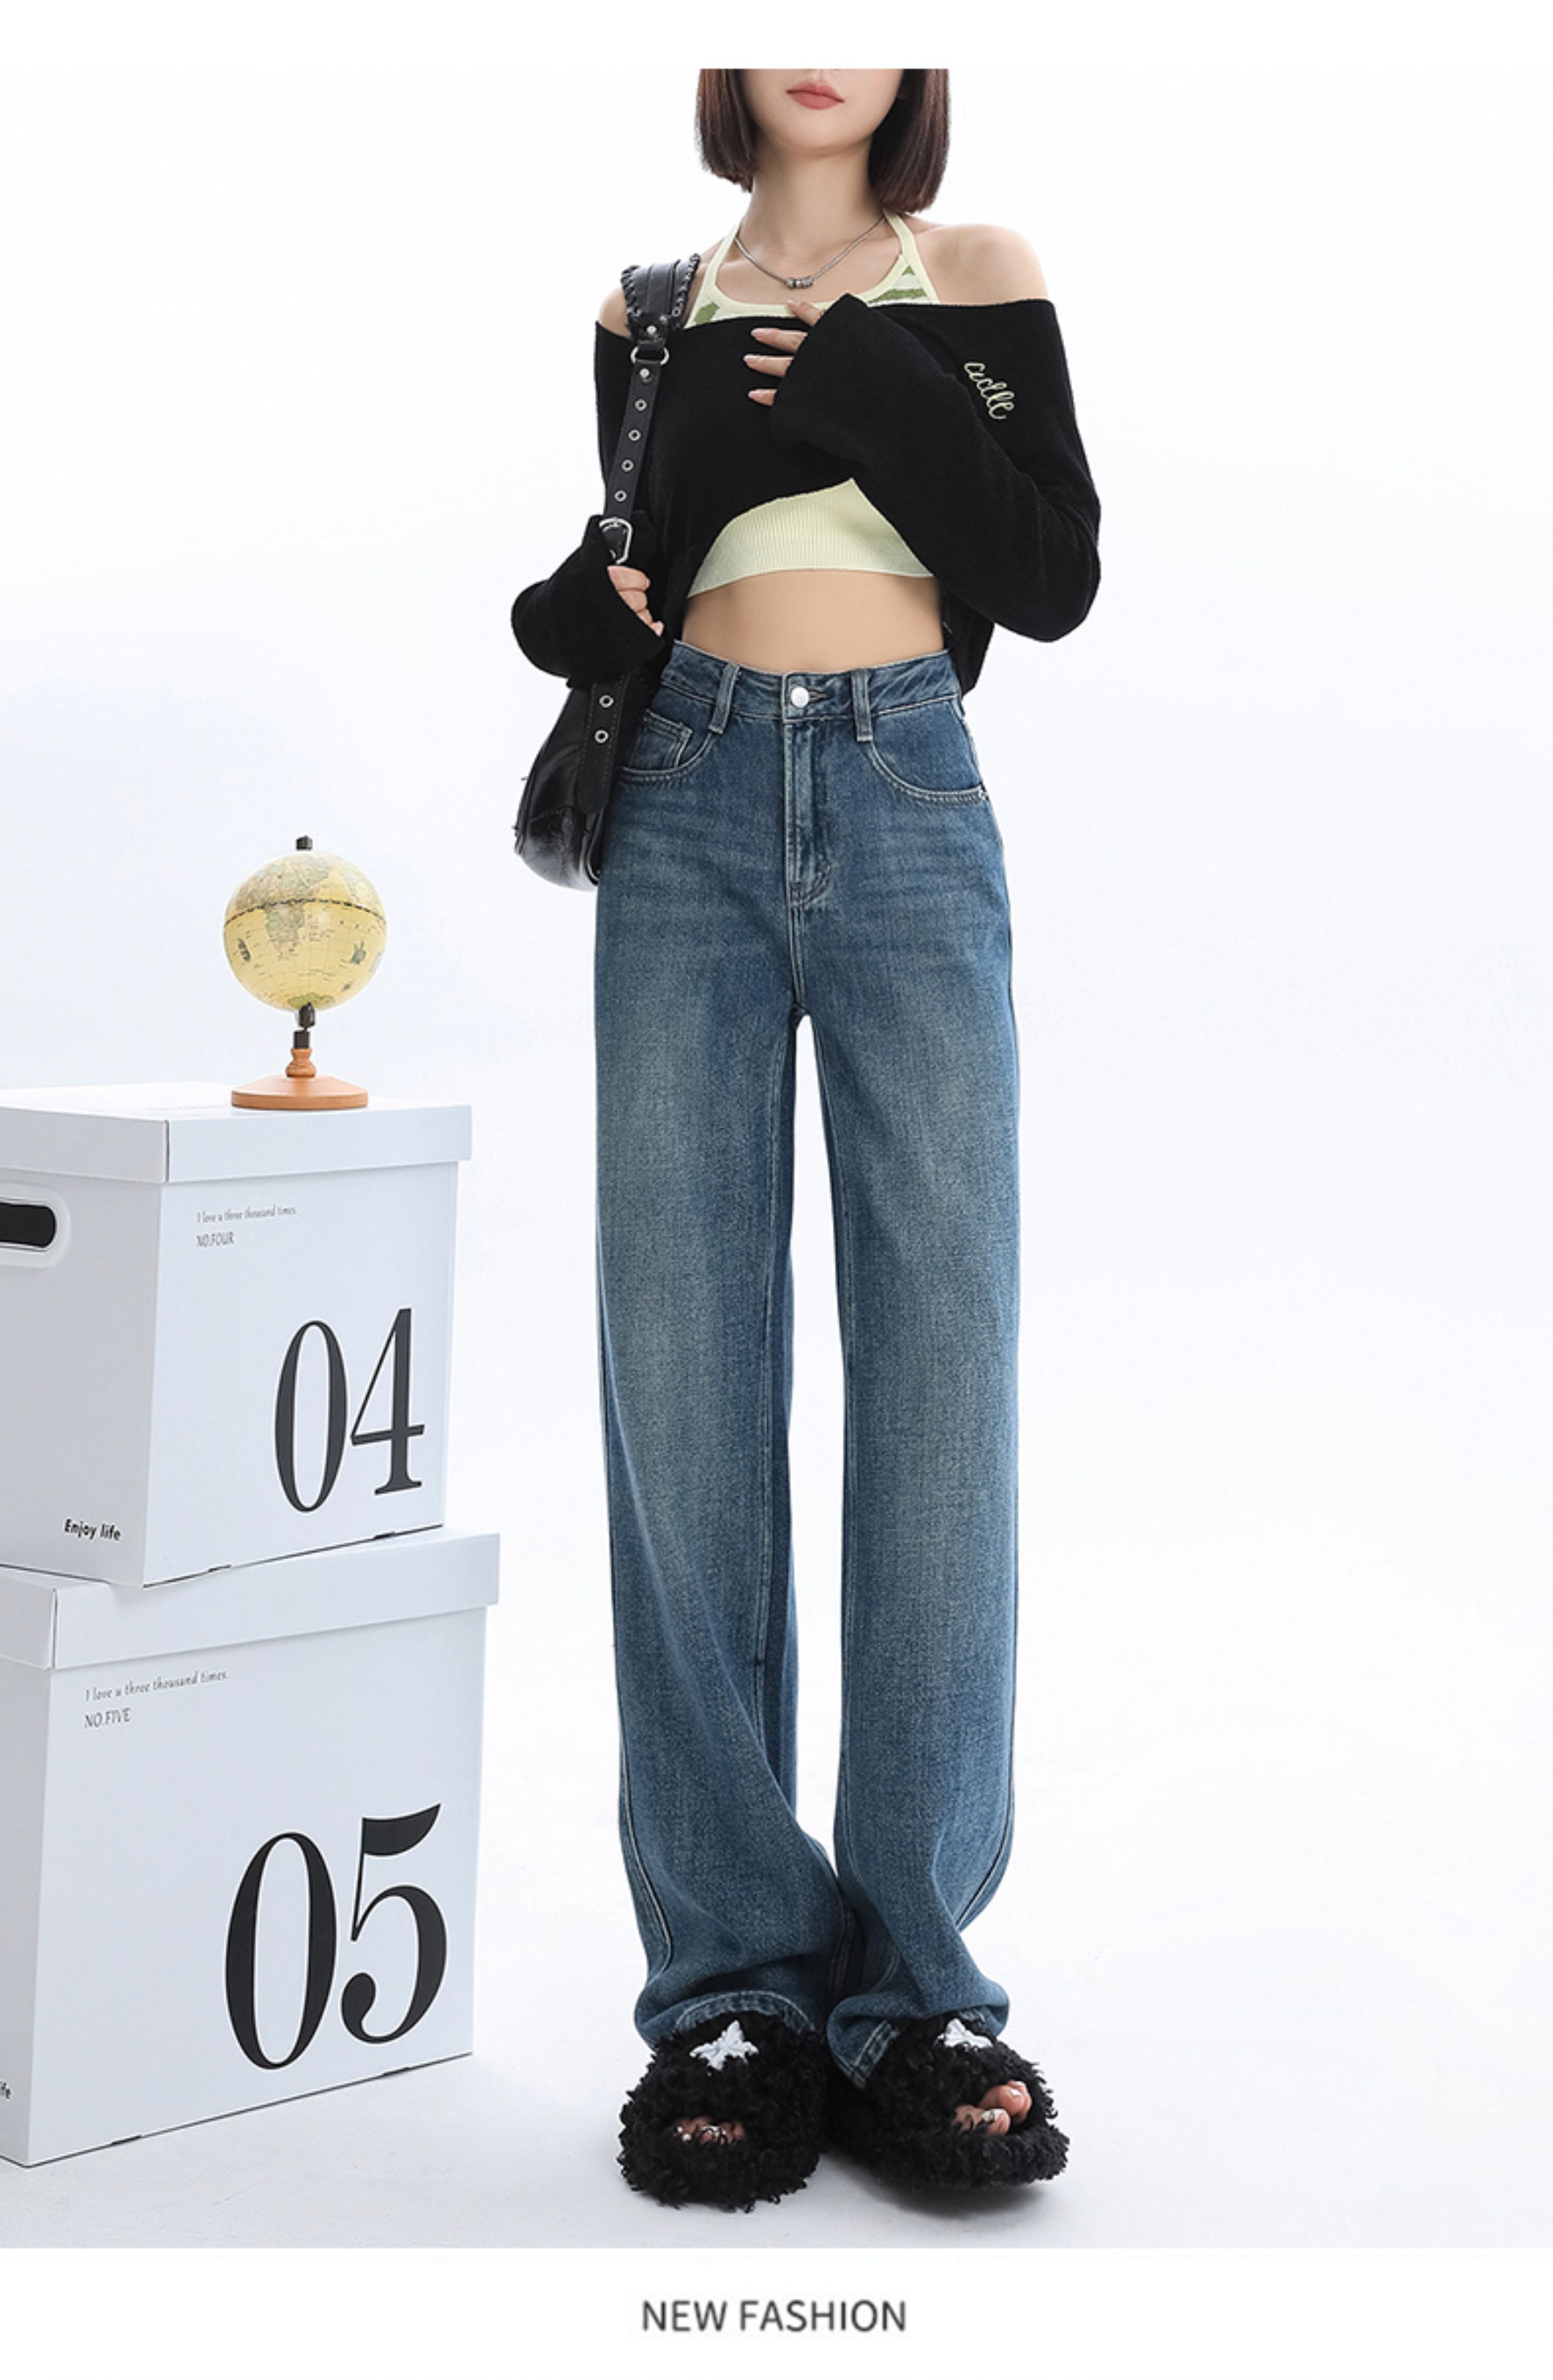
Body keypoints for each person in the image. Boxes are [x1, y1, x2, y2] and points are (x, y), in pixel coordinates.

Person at [510, 68, 1102, 2212]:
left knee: (942, 1367)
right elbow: (635, 580)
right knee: (679, 1374)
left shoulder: (981, 273)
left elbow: (1048, 576)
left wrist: (869, 383)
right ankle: (735, 1990)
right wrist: (587, 595)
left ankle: (921, 1989)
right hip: (682, 803)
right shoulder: (646, 307)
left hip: (909, 788)